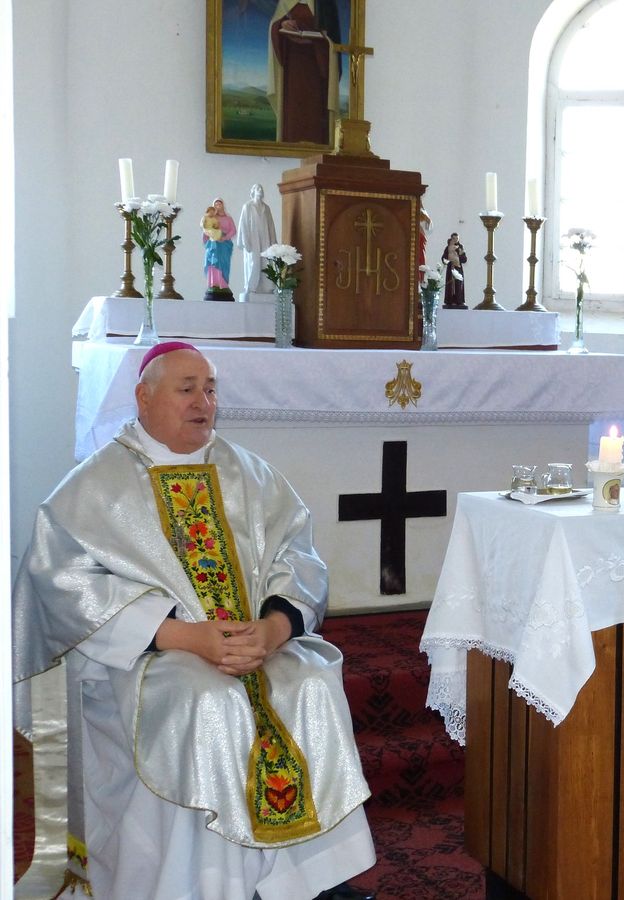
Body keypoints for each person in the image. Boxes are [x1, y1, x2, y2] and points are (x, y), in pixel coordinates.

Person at [11, 342, 376, 900]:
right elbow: (61, 583)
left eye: (210, 388)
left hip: (253, 644)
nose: (203, 401)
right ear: (143, 396)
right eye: (187, 389)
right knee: (209, 705)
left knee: (309, 684)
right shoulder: (95, 485)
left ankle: (304, 881)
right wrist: (184, 636)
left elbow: (298, 556)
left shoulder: (247, 473)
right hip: (150, 656)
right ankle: (205, 884)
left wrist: (275, 628)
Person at [267, 0, 341, 144]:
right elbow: (275, 24)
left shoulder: (326, 4)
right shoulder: (285, 2)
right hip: (293, 67)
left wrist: (322, 37)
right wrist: (282, 24)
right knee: (294, 108)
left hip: (316, 65)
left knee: (314, 109)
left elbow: (333, 37)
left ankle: (318, 142)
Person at [236, 183, 279, 302]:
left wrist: (273, 242)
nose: (260, 190)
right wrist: (246, 241)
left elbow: (271, 225)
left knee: (266, 262)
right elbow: (243, 225)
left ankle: (267, 287)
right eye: (258, 188)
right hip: (253, 239)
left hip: (265, 238)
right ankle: (251, 286)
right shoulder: (248, 206)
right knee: (254, 262)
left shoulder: (266, 208)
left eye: (261, 188)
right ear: (253, 191)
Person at [203, 197, 237, 299]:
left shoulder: (228, 219)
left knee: (224, 263)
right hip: (214, 244)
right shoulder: (211, 218)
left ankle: (223, 284)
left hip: (224, 244)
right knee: (213, 263)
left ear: (223, 206)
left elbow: (233, 230)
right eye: (216, 205)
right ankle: (214, 283)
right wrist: (210, 237)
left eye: (219, 204)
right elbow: (206, 230)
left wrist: (225, 237)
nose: (218, 206)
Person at [441, 233, 467, 308]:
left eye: (457, 238)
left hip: (458, 268)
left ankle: (459, 300)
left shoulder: (460, 247)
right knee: (450, 284)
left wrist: (461, 254)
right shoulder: (448, 247)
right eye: (454, 238)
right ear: (452, 238)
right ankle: (450, 300)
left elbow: (464, 260)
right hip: (451, 268)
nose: (456, 240)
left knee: (459, 284)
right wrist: (448, 259)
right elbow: (443, 258)